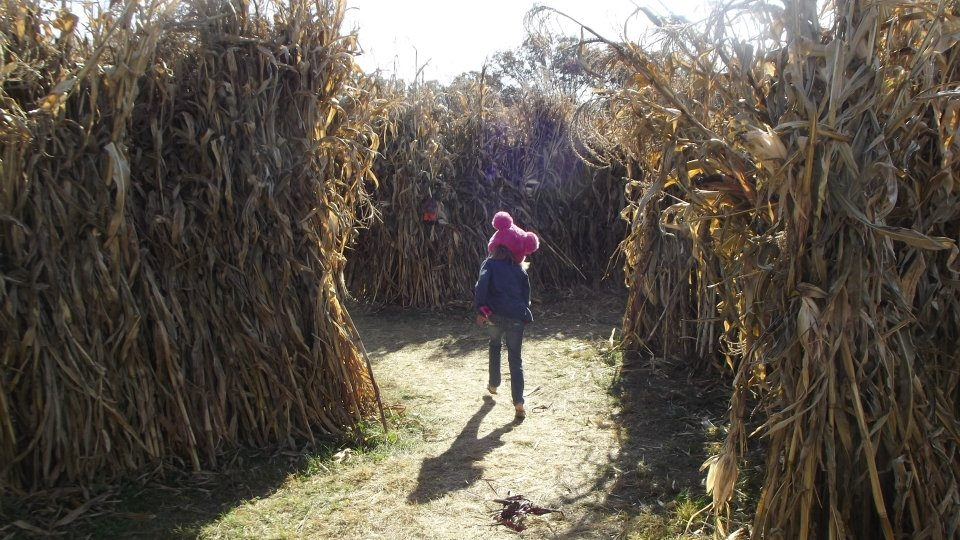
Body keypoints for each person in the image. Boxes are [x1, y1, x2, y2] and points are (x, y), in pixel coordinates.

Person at [473, 211, 539, 421]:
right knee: (515, 358)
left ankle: (493, 384)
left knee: (494, 345)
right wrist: (524, 312)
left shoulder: (489, 264)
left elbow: (481, 287)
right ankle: (519, 402)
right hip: (515, 319)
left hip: (494, 315)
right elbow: (525, 295)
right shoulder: (520, 271)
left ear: (495, 244)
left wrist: (481, 310)